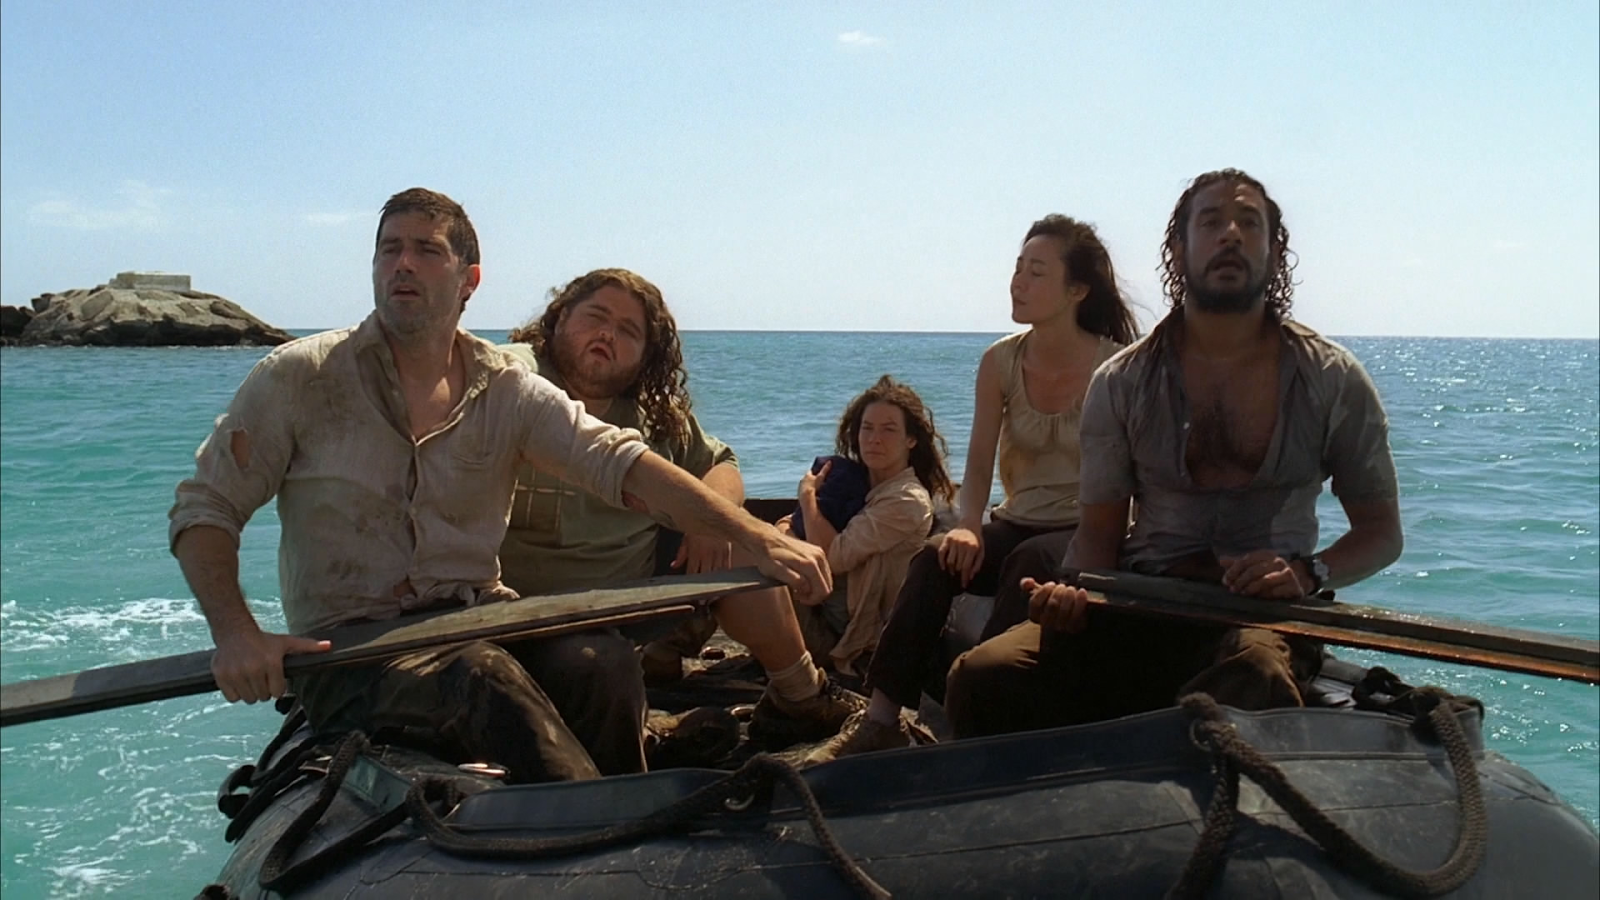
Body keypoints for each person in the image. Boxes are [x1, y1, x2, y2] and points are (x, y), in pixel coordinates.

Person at [168, 189, 831, 785]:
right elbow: (207, 507)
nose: (403, 264)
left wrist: (751, 535)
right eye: (390, 249)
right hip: (350, 650)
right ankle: (595, 832)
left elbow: (617, 461)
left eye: (427, 250)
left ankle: (625, 817)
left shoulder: (505, 388)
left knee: (600, 663)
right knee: (481, 679)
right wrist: (237, 633)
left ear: (469, 279)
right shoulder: (299, 376)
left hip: (484, 618)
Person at [944, 169, 1404, 737]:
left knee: (1255, 674)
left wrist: (1310, 572)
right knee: (982, 675)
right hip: (1142, 600)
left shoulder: (1332, 379)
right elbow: (1098, 538)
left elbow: (1381, 534)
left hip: (1261, 618)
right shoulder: (1122, 381)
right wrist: (1074, 591)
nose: (1230, 234)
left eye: (1249, 223)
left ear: (1274, 251)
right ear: (1179, 250)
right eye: (1211, 222)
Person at [495, 269, 865, 768]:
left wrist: (706, 518)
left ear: (646, 354)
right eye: (596, 316)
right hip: (516, 610)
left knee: (737, 537)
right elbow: (487, 369)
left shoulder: (653, 415)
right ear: (558, 320)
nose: (607, 334)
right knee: (598, 666)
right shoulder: (511, 380)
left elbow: (722, 463)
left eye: (628, 331)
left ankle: (800, 698)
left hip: (626, 598)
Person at [810, 215, 1140, 762]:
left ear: (1077, 290)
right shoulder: (1001, 361)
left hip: (1085, 530)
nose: (1018, 282)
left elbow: (1135, 472)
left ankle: (982, 723)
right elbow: (980, 462)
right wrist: (967, 526)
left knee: (1027, 564)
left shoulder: (1116, 367)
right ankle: (881, 719)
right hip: (1017, 518)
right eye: (1017, 268)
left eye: (1036, 272)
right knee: (933, 558)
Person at [778, 375, 953, 675]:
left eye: (889, 429)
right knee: (750, 550)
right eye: (867, 428)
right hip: (817, 605)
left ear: (911, 440)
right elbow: (789, 525)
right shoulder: (851, 480)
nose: (874, 439)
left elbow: (833, 556)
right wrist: (784, 534)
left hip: (849, 640)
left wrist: (807, 498)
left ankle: (798, 683)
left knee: (750, 567)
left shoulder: (906, 500)